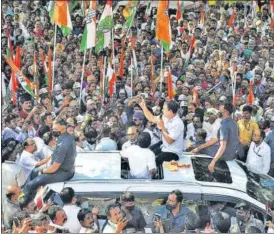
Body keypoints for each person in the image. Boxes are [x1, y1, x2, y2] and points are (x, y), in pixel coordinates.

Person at [23, 119, 76, 198]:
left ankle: (25, 202)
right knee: (34, 171)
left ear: (63, 128)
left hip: (63, 172)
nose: (53, 131)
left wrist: (42, 171)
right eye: (53, 129)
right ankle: (36, 193)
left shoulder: (63, 144)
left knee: (29, 185)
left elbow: (54, 168)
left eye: (55, 129)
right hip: (60, 165)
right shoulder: (67, 136)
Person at [192, 103, 241, 173]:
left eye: (221, 108)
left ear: (226, 112)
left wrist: (213, 161)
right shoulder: (234, 123)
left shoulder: (225, 125)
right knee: (200, 146)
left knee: (198, 145)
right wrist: (200, 147)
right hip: (232, 154)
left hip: (226, 154)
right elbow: (215, 139)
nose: (219, 108)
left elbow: (223, 145)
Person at [139, 99, 185, 166]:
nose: (162, 110)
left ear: (170, 111)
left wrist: (162, 128)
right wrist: (143, 107)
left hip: (173, 152)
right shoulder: (164, 117)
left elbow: (169, 140)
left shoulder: (178, 123)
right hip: (164, 147)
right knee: (148, 153)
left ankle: (154, 176)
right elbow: (151, 118)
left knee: (156, 160)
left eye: (164, 109)